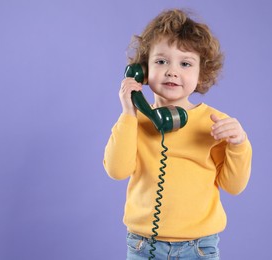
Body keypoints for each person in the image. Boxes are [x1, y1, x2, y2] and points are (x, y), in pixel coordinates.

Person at [103, 9, 252, 260]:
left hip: (200, 247)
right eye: (161, 61)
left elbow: (233, 186)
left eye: (185, 63)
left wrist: (239, 144)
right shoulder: (134, 121)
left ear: (200, 73)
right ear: (142, 71)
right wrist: (129, 112)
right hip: (143, 245)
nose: (172, 71)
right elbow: (117, 170)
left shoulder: (215, 123)